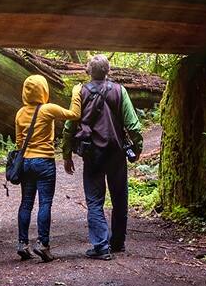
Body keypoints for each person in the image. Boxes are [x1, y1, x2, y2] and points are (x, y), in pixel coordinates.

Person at [62, 55, 144, 260]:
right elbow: (132, 124)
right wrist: (138, 147)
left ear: (88, 71)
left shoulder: (80, 92)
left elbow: (69, 126)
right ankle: (117, 242)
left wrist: (66, 154)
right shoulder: (120, 90)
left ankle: (100, 245)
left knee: (95, 200)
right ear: (108, 71)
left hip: (92, 154)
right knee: (119, 198)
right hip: (116, 152)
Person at [12, 74, 72, 262]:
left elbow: (19, 142)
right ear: (44, 90)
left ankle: (23, 244)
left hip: (27, 163)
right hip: (44, 162)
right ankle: (43, 244)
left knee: (26, 203)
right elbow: (74, 114)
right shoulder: (48, 109)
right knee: (45, 203)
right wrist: (77, 93)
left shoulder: (20, 113)